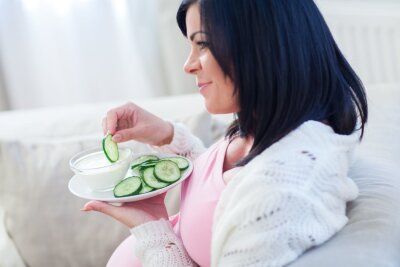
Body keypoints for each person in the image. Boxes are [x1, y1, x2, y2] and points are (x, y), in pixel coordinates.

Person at [81, 0, 368, 266]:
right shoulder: (264, 128)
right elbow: (219, 192)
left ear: (261, 43)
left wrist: (152, 229)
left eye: (202, 44)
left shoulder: (281, 190)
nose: (188, 64)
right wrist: (166, 136)